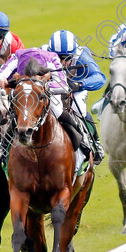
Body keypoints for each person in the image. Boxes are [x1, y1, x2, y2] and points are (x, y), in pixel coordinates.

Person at [0, 47, 93, 168]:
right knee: (17, 115)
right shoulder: (16, 57)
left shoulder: (51, 58)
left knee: (58, 111)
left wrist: (42, 86)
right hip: (25, 93)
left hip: (45, 94)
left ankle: (83, 140)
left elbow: (63, 85)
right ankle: (3, 146)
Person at [41, 30, 107, 164]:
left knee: (78, 108)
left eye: (67, 58)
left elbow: (100, 78)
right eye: (58, 57)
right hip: (51, 87)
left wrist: (80, 84)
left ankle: (94, 142)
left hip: (75, 87)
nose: (62, 62)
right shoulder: (42, 53)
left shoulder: (82, 55)